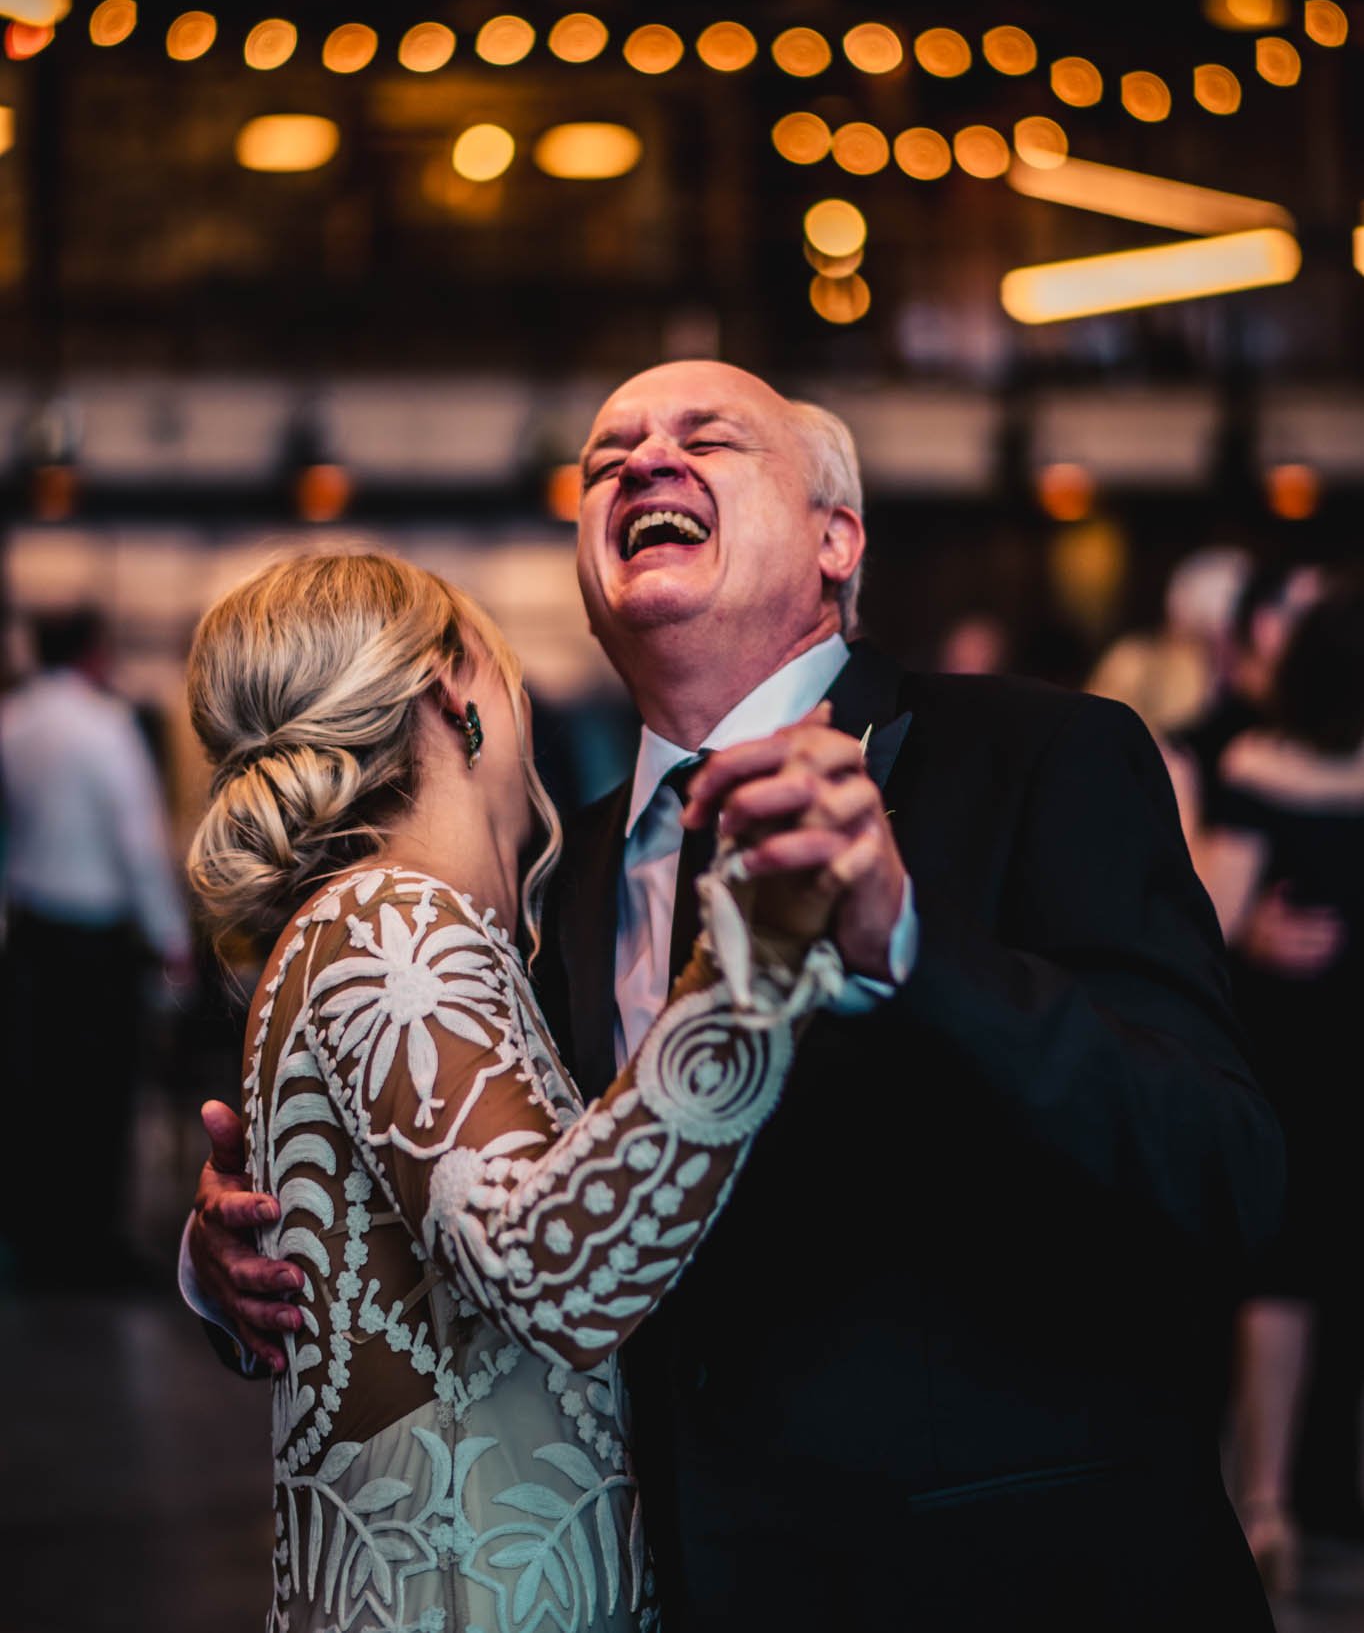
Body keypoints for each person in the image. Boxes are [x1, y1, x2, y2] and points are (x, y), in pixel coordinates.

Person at [189, 361, 1284, 1631]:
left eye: (707, 437)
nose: (646, 462)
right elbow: (495, 1213)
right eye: (606, 458)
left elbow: (1227, 1169)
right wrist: (259, 1257)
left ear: (836, 540)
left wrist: (904, 946)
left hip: (1015, 1583)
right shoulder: (547, 883)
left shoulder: (1040, 757)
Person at [182, 548, 855, 1632]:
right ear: (456, 691)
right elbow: (553, 1269)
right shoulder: (389, 923)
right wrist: (756, 957)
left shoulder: (361, 929)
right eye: (506, 670)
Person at [1199, 585, 1364, 1595]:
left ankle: (1262, 1500)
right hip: (1340, 1043)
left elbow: (1209, 917)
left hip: (1288, 1048)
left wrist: (1256, 933)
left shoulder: (1255, 766)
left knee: (1281, 1276)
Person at [1, 605, 191, 1288]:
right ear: (92, 651)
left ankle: (36, 1241)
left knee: (35, 1092)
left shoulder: (13, 721)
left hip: (29, 936)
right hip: (95, 940)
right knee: (100, 1097)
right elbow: (138, 842)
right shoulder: (106, 727)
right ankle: (92, 1245)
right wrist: (173, 935)